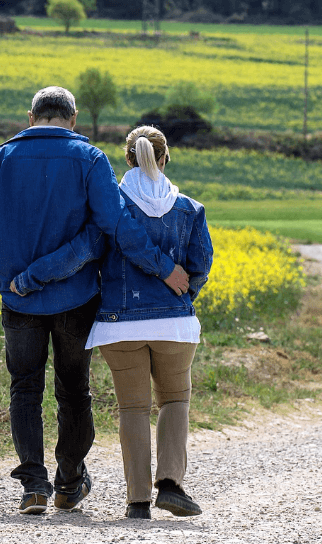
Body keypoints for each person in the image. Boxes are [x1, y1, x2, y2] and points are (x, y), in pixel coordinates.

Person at [0, 87, 190, 515]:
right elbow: (114, 227)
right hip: (77, 298)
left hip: (18, 303)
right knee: (74, 390)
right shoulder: (90, 160)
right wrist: (162, 267)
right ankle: (69, 482)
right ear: (74, 117)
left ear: (31, 116)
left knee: (24, 389)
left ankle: (33, 485)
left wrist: (5, 278)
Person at [85, 126, 213, 520]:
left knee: (133, 409)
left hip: (118, 325)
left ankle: (137, 501)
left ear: (127, 160)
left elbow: (91, 252)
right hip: (173, 327)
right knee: (174, 400)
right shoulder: (189, 208)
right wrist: (182, 300)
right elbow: (201, 266)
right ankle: (171, 484)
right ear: (165, 158)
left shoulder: (112, 207)